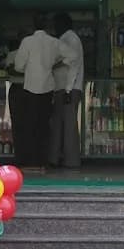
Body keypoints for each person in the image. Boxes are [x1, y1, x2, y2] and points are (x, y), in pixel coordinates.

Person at [13, 14, 78, 168]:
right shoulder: (54, 42)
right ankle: (42, 161)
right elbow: (73, 55)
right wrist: (57, 64)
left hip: (30, 88)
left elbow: (18, 66)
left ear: (33, 25)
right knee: (44, 125)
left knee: (30, 125)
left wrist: (29, 67)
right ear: (48, 25)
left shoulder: (27, 42)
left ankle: (30, 161)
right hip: (48, 88)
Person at [49, 12, 84, 169]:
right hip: (63, 88)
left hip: (68, 88)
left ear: (63, 24)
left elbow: (73, 65)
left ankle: (71, 161)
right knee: (60, 124)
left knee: (68, 126)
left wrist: (69, 90)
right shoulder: (65, 39)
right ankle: (56, 158)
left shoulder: (71, 39)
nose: (54, 28)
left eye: (56, 24)